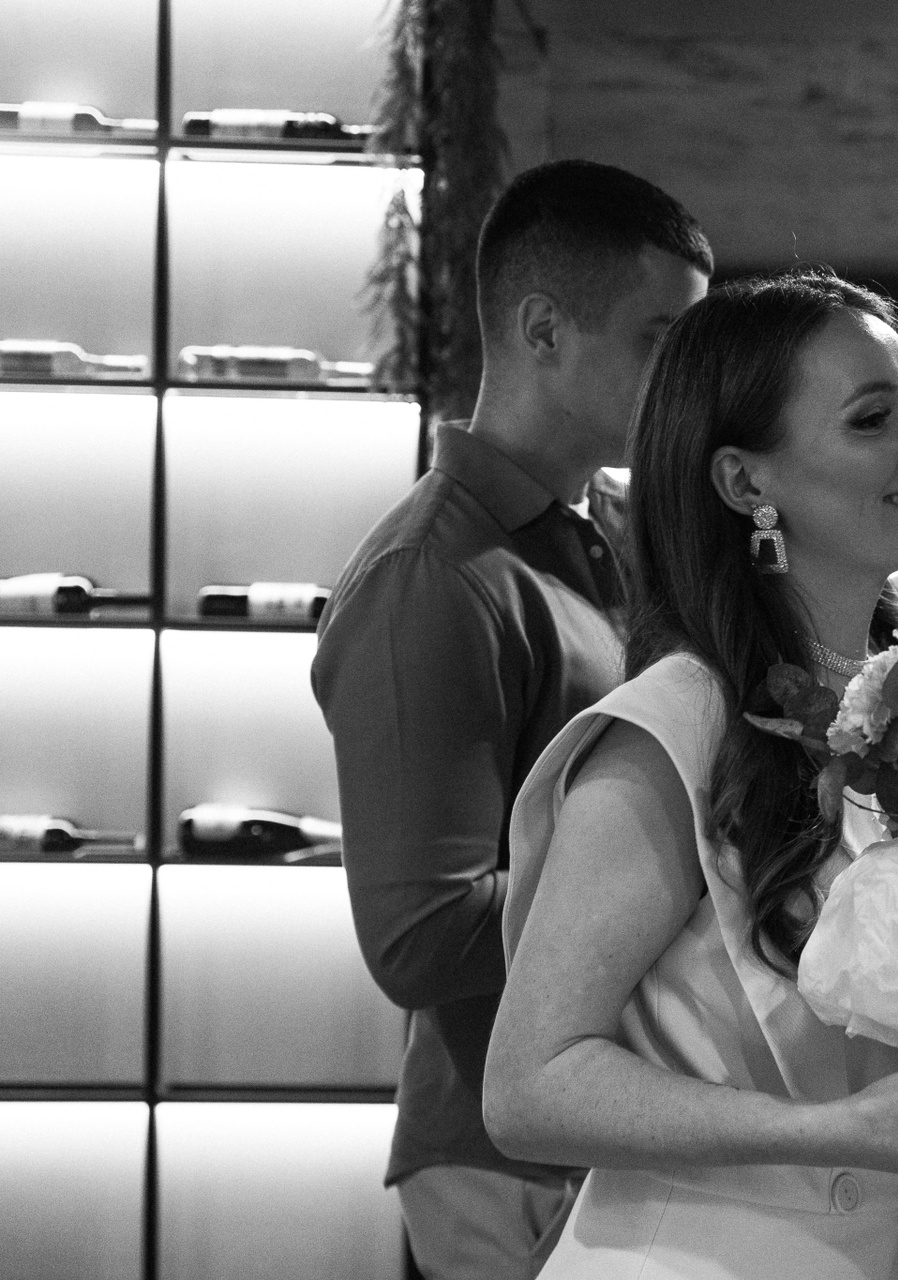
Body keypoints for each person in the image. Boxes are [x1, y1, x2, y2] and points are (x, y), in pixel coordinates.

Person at [482, 269, 898, 1279]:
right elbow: (529, 1086)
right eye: (873, 419)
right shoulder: (676, 723)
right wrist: (841, 1130)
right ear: (745, 483)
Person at [311, 159, 710, 1279]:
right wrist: (683, 876)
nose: (685, 379)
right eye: (659, 339)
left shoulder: (612, 530)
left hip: (618, 1119)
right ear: (543, 329)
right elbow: (420, 932)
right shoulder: (429, 577)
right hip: (510, 1158)